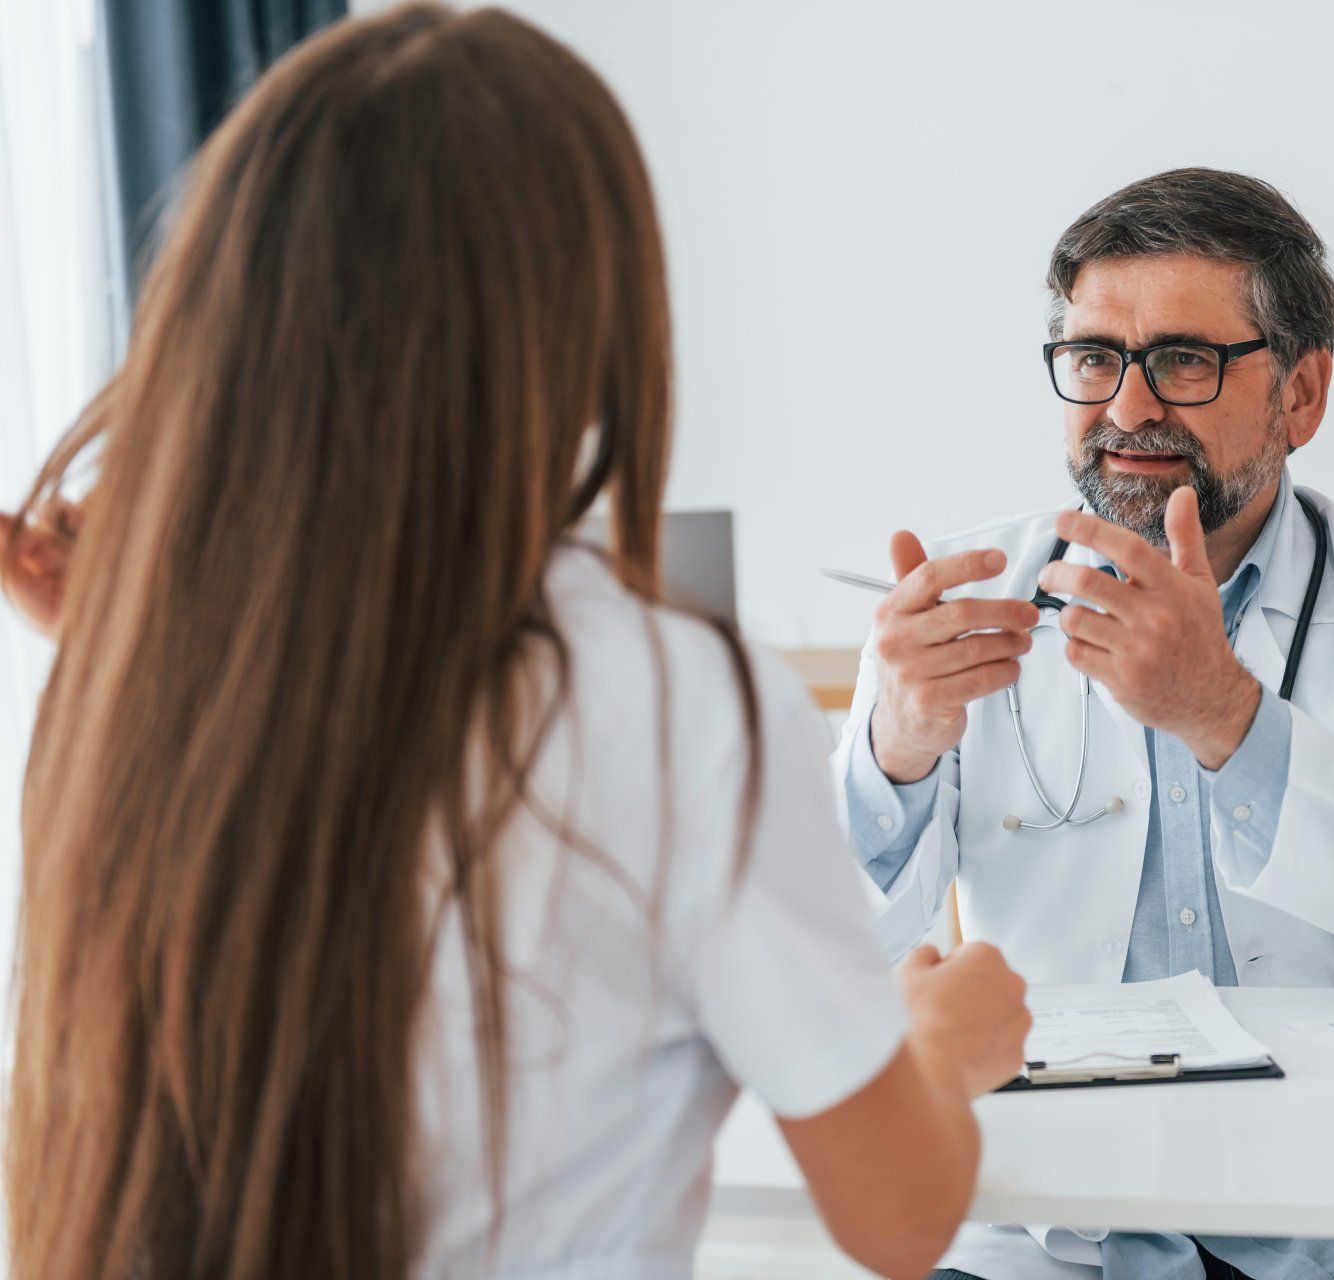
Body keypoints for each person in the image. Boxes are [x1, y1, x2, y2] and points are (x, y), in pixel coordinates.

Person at [0, 7, 1031, 1280]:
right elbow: (899, 1215)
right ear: (586, 316)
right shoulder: (674, 694)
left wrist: (133, 649)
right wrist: (942, 1037)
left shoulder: (129, 688)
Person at [835, 169, 1334, 1280]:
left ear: (1302, 394)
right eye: (1096, 358)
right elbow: (824, 963)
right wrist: (895, 751)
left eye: (1184, 361)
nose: (1129, 408)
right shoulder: (960, 599)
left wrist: (1225, 714)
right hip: (1062, 1217)